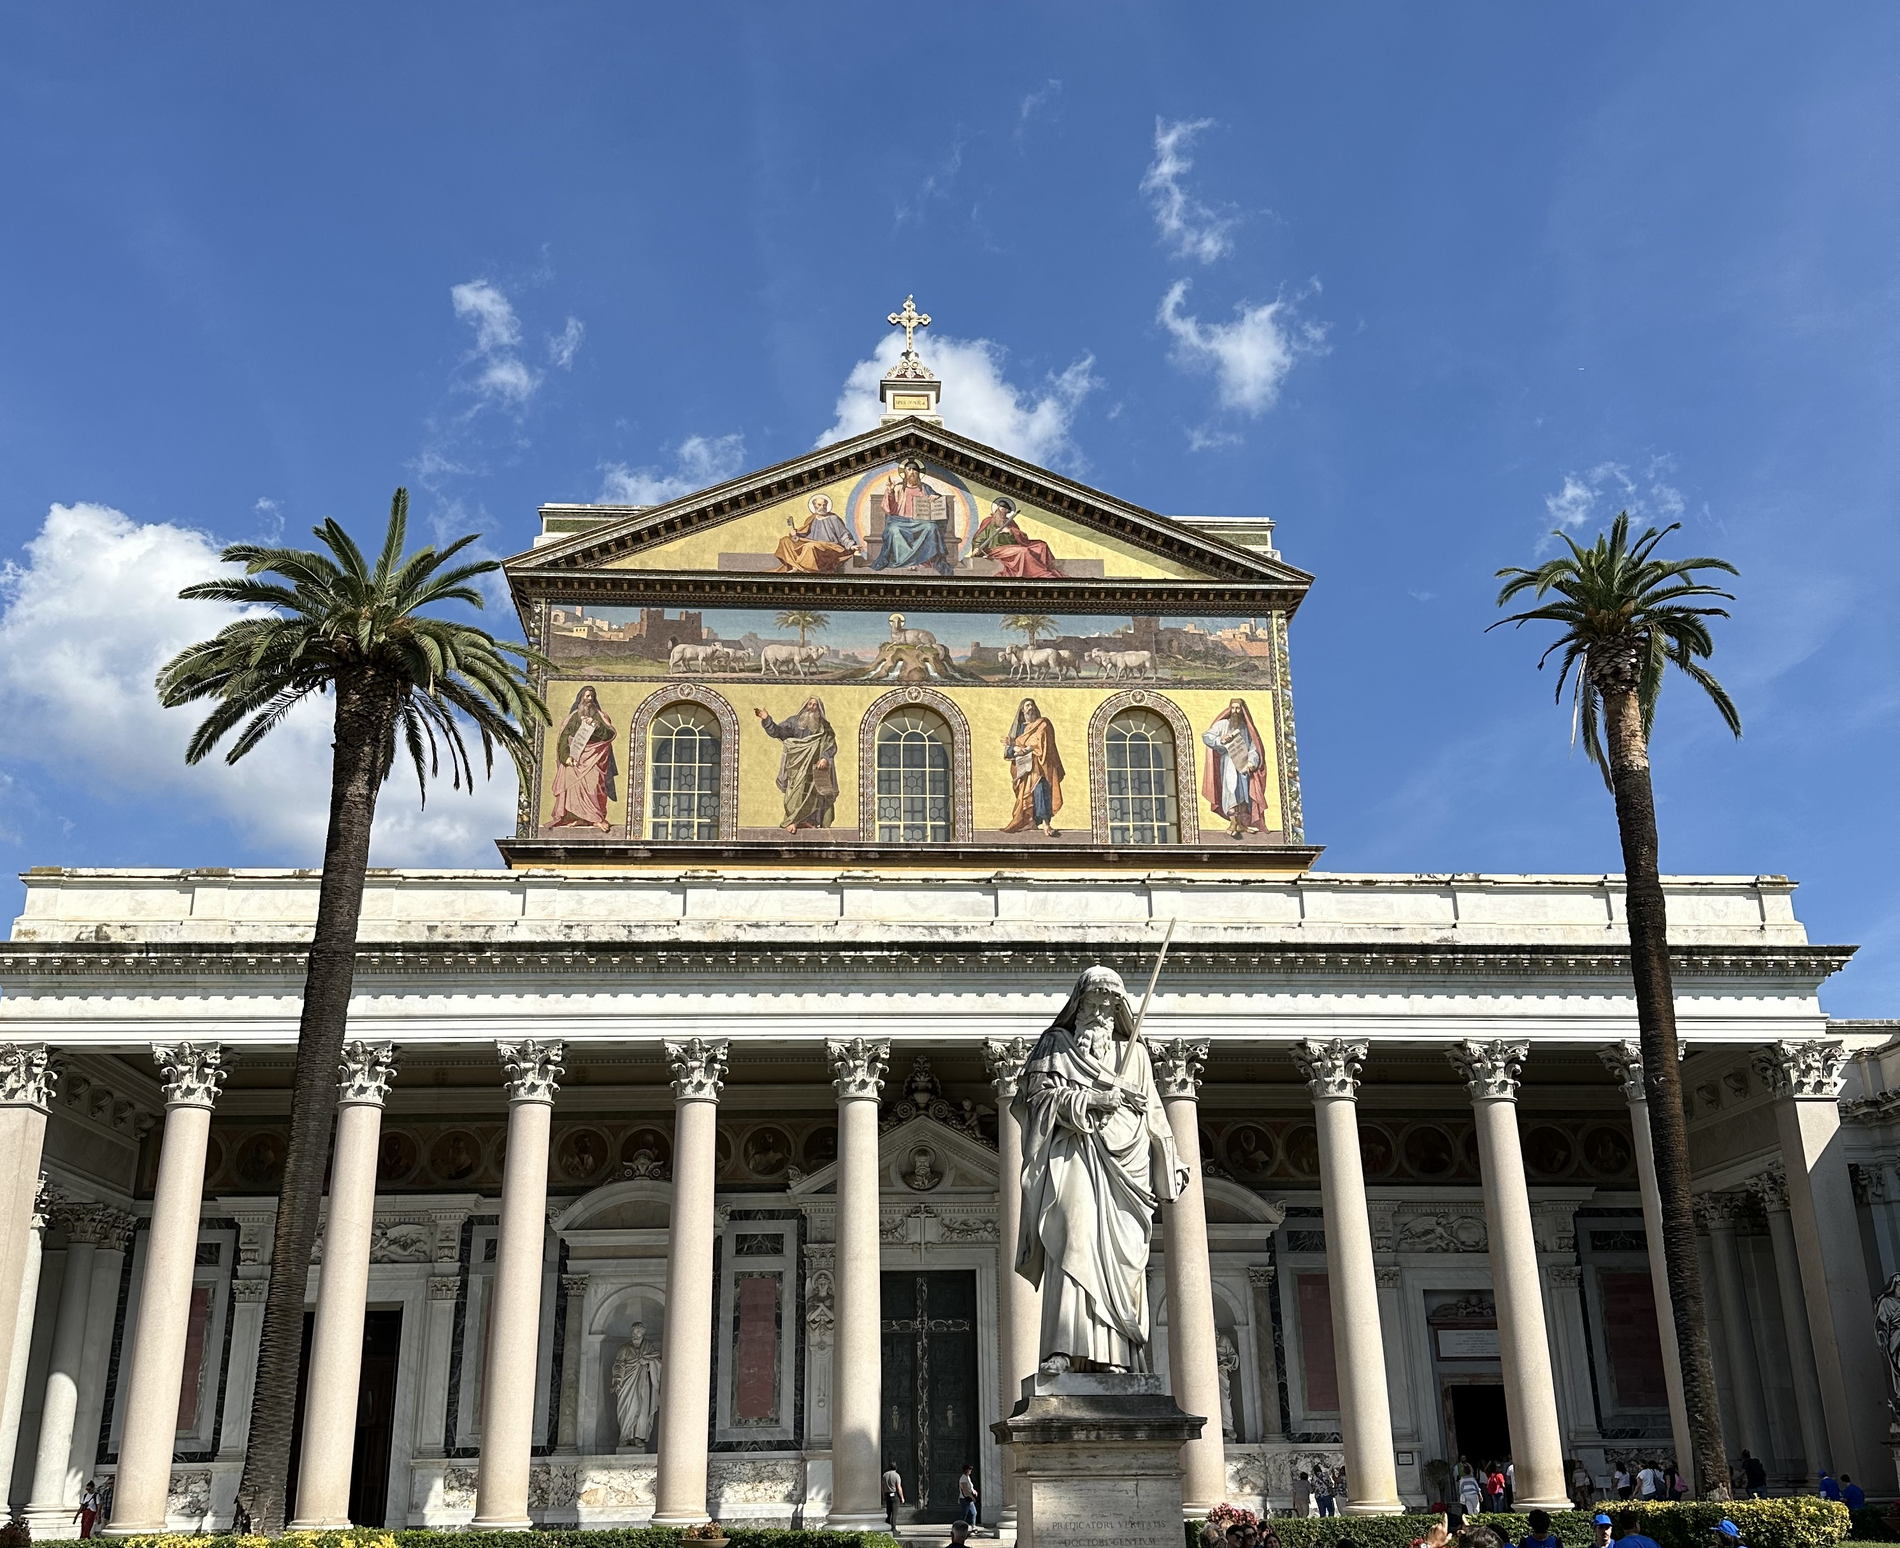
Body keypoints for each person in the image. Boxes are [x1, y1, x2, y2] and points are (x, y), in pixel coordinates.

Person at [1013, 966, 1187, 1369]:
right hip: (1074, 1156)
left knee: (1124, 1261)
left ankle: (1118, 1357)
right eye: (1092, 1004)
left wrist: (1171, 1159)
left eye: (1108, 1006)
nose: (1099, 1014)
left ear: (1118, 1011)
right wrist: (1091, 1101)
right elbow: (1036, 1099)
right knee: (1072, 1238)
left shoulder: (1135, 1056)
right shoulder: (1055, 1047)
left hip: (1126, 1170)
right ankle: (1062, 1349)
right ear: (1078, 1005)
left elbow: (1155, 1116)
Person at [755, 697, 837, 830]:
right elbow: (778, 732)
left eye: (815, 705)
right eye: (810, 704)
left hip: (815, 767)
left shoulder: (824, 726)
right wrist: (766, 719)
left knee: (815, 795)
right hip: (797, 765)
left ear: (819, 708)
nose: (812, 707)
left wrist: (825, 757)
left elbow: (831, 743)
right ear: (805, 706)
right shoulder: (794, 722)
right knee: (795, 794)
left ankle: (807, 821)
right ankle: (793, 821)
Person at [548, 686, 617, 830]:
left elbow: (610, 734)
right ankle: (579, 819)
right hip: (575, 758)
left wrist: (597, 727)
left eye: (592, 696)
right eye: (587, 696)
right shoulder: (573, 717)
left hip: (595, 757)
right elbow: (564, 738)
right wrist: (565, 757)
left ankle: (596, 818)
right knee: (573, 786)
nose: (590, 699)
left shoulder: (601, 716)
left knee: (594, 785)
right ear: (581, 698)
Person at [871, 457, 954, 574]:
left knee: (932, 527)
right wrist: (890, 492)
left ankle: (923, 561)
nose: (912, 473)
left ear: (919, 473)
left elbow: (938, 501)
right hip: (900, 521)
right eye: (909, 470)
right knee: (893, 530)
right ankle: (904, 562)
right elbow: (889, 509)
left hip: (920, 522)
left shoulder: (925, 488)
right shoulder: (898, 487)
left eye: (915, 471)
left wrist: (936, 497)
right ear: (905, 472)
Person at [1201, 699, 1269, 838]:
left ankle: (1242, 825)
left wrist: (1251, 762)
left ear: (1243, 710)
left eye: (1238, 709)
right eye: (1233, 708)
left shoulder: (1246, 729)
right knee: (1231, 791)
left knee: (1243, 795)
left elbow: (1254, 748)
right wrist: (1221, 740)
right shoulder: (1223, 724)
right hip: (1229, 764)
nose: (1235, 711)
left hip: (1243, 766)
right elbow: (1207, 736)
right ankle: (1232, 823)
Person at [1002, 698, 1065, 837]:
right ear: (1022, 710)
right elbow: (1008, 751)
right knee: (1025, 796)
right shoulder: (1019, 728)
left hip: (1040, 765)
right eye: (1027, 705)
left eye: (1032, 705)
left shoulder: (1043, 724)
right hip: (1023, 768)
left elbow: (1045, 743)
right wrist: (1016, 748)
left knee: (1041, 789)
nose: (1030, 707)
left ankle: (1046, 823)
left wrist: (1029, 748)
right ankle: (1029, 821)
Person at [969, 496, 1062, 578]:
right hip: (996, 550)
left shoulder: (1011, 523)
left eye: (1004, 509)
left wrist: (1010, 532)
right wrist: (976, 548)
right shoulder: (989, 521)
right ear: (996, 509)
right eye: (1000, 508)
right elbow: (980, 537)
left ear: (1007, 512)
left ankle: (1047, 569)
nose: (1001, 510)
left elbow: (1021, 538)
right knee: (1023, 551)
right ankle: (1039, 573)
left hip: (1012, 547)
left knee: (1041, 546)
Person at [774, 493, 861, 574]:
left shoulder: (833, 518)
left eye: (824, 505)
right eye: (819, 505)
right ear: (814, 506)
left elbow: (843, 534)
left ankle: (802, 570)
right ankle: (795, 566)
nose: (822, 507)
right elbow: (804, 533)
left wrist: (851, 545)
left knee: (809, 547)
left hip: (830, 546)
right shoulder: (811, 519)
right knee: (785, 540)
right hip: (811, 543)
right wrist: (795, 534)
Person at [882, 1460, 905, 1528]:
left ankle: (887, 1527)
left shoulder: (885, 1475)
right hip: (894, 1495)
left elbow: (882, 1486)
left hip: (887, 1494)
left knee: (888, 1512)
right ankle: (893, 1528)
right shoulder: (896, 1475)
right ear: (896, 1467)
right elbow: (898, 1487)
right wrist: (902, 1497)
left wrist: (883, 1495)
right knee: (894, 1513)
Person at [958, 1462, 979, 1527]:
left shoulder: (967, 1477)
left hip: (968, 1499)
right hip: (965, 1499)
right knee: (965, 1514)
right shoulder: (963, 1478)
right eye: (970, 1470)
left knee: (973, 1513)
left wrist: (974, 1491)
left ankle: (973, 1526)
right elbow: (965, 1490)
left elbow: (970, 1487)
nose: (971, 1471)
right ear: (966, 1470)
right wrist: (972, 1497)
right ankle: (960, 1527)